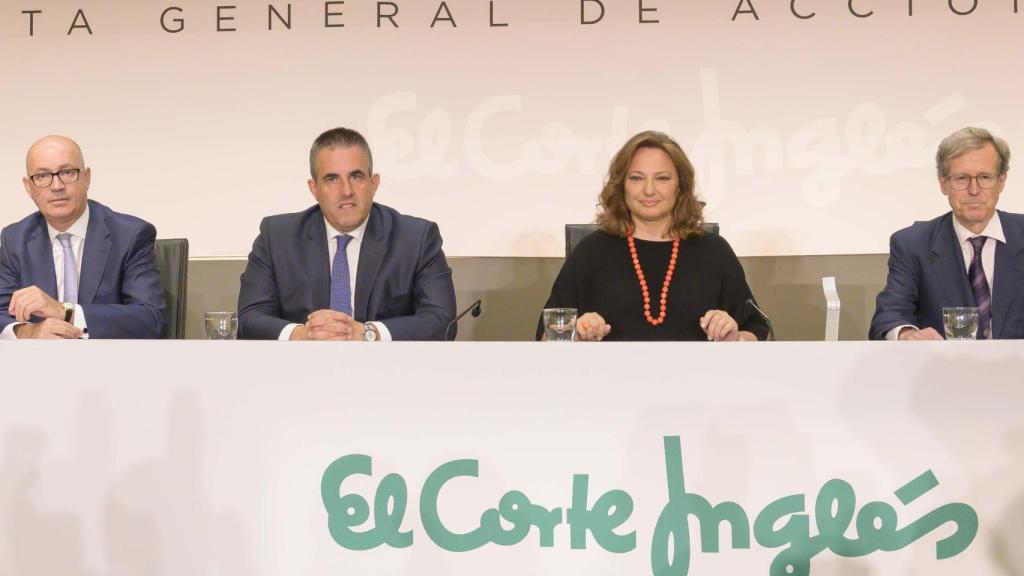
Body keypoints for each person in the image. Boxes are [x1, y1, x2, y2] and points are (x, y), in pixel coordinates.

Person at [538, 131, 768, 341]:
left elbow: (757, 331)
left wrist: (735, 337)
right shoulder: (591, 251)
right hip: (608, 382)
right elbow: (545, 337)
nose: (649, 190)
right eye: (637, 178)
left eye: (662, 178)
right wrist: (575, 336)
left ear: (680, 186)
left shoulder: (714, 251)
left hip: (698, 382)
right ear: (621, 185)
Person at [237, 127, 456, 341]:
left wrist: (370, 333)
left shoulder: (416, 239)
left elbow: (442, 320)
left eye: (356, 176)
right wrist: (302, 334)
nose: (346, 191)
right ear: (314, 189)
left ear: (374, 183)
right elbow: (249, 319)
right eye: (332, 179)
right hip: (299, 370)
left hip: (388, 371)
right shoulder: (277, 237)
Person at [0, 135, 166, 339]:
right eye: (42, 176)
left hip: (112, 364)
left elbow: (150, 319)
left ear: (87, 177)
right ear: (28, 187)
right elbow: (2, 312)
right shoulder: (15, 239)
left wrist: (66, 312)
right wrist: (27, 331)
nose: (57, 186)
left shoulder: (130, 235)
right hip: (38, 365)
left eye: (67, 172)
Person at [870, 126, 1024, 340]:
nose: (974, 190)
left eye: (985, 177)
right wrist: (906, 334)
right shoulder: (912, 244)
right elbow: (889, 315)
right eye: (961, 178)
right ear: (943, 184)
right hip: (944, 370)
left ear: (1001, 181)